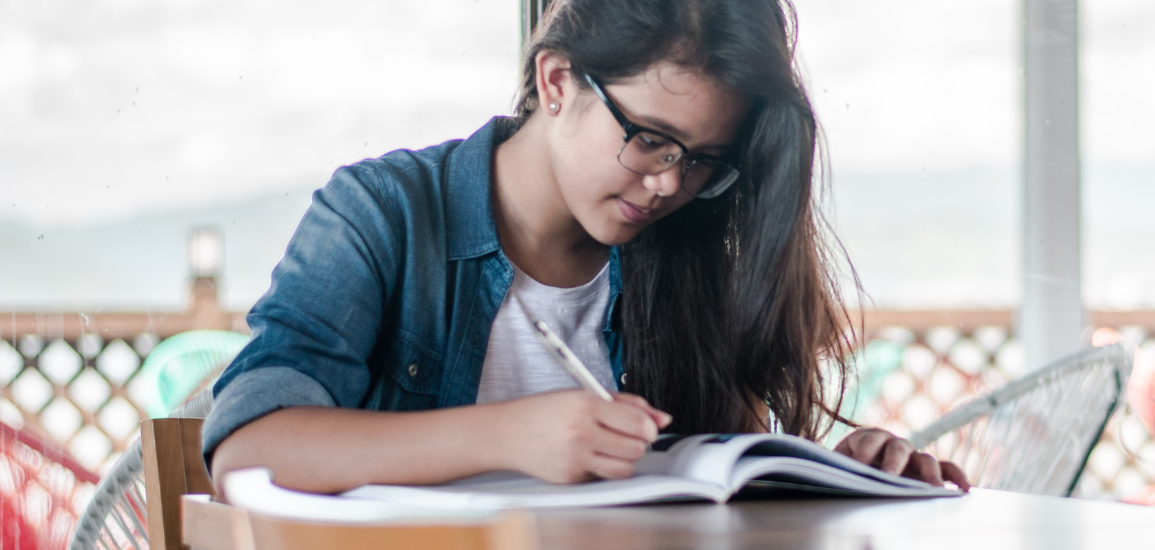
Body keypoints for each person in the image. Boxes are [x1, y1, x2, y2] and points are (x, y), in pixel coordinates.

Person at [205, 0, 970, 495]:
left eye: (703, 159)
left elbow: (723, 485)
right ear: (558, 79)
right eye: (651, 140)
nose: (671, 184)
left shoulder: (685, 251)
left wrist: (842, 473)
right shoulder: (385, 213)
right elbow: (249, 447)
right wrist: (511, 433)